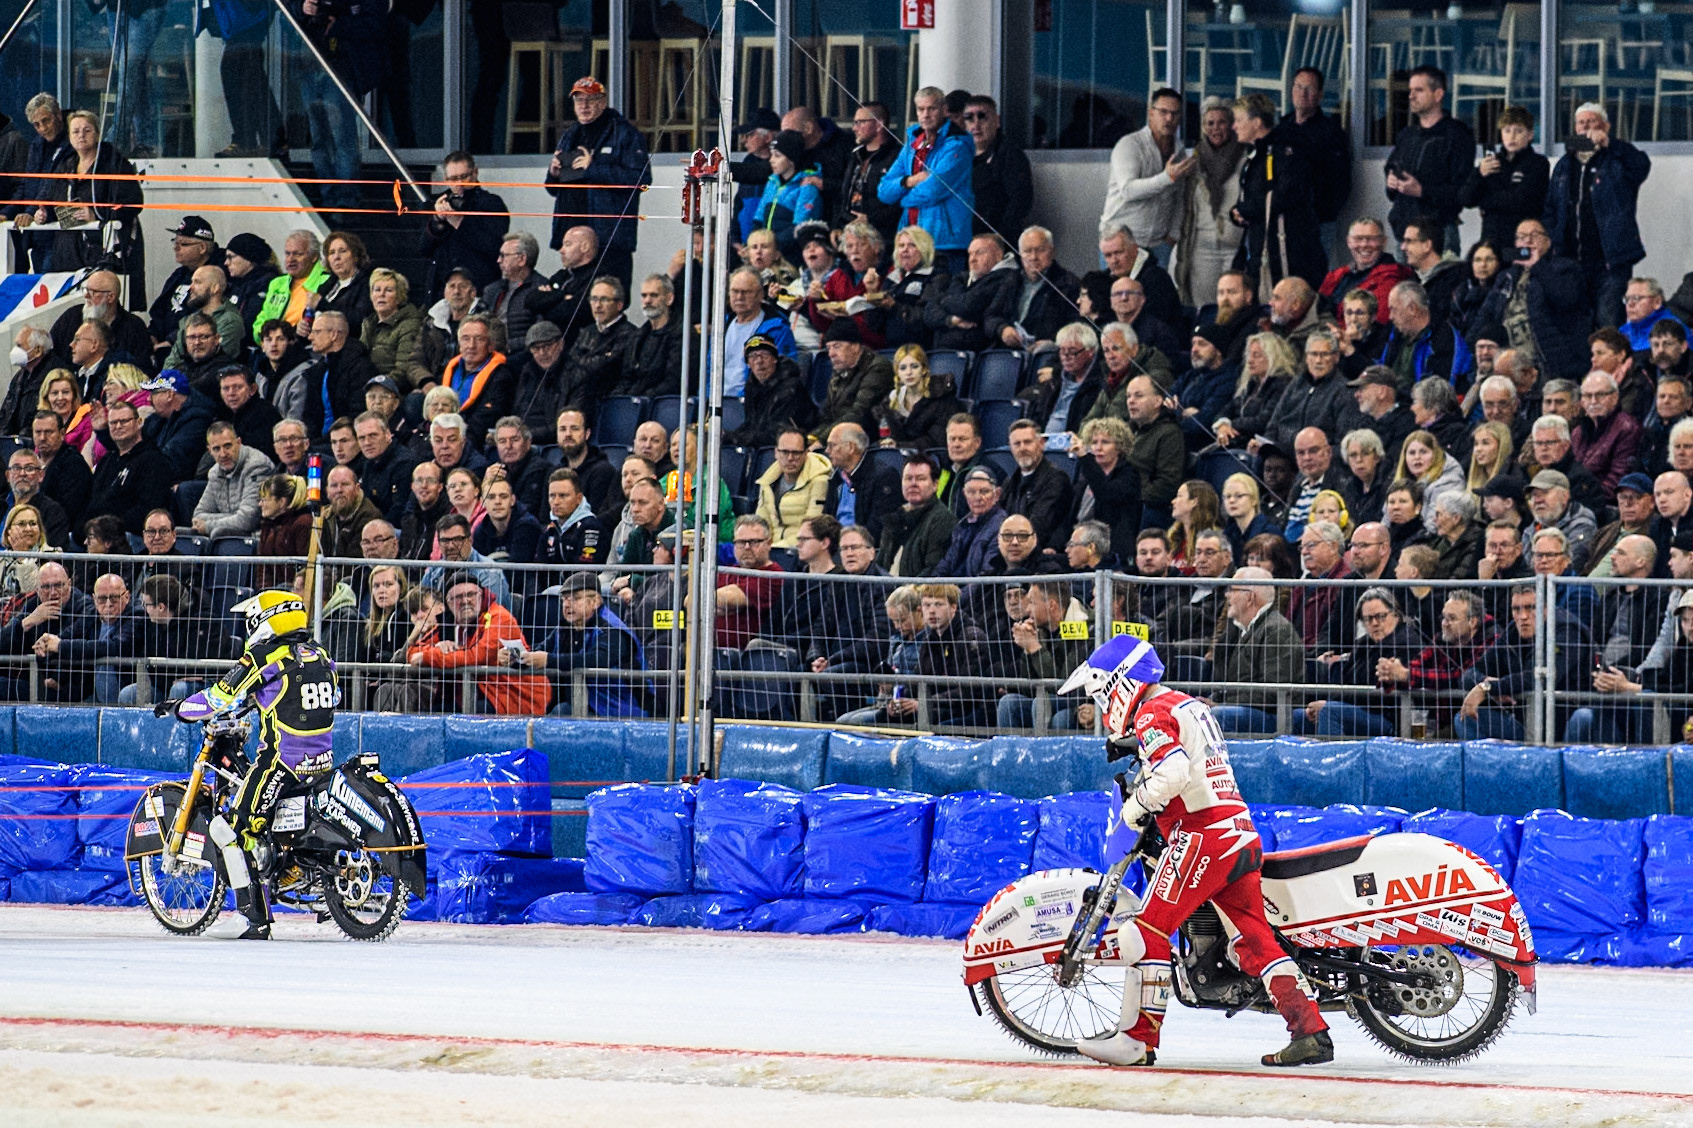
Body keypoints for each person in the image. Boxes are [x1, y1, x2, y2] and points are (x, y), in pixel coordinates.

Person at [1061, 635, 1331, 1067]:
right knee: (1253, 937)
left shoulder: (1152, 714)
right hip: (1237, 829)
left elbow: (1171, 772)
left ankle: (1136, 1041)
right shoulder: (1187, 705)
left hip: (1200, 833)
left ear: (1120, 683)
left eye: (1102, 692)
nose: (1103, 704)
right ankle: (1310, 1031)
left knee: (1145, 931)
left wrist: (1135, 806)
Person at [160, 588, 339, 939]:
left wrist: (180, 708)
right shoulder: (317, 653)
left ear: (261, 619)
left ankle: (251, 918)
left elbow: (217, 698)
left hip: (281, 764)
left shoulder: (263, 656)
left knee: (229, 829)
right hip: (321, 763)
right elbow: (333, 696)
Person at [1545, 103, 1650, 329]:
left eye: (1592, 122)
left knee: (1607, 321)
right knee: (1575, 324)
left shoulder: (1617, 159)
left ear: (1606, 126)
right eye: (1581, 123)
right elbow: (1551, 207)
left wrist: (1611, 144)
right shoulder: (1564, 165)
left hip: (1610, 262)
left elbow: (1642, 165)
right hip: (1570, 261)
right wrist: (1554, 243)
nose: (1586, 128)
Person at [545, 76, 651, 288]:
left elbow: (641, 180)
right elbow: (554, 190)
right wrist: (554, 174)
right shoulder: (570, 133)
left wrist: (593, 168)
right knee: (572, 300)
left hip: (608, 240)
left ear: (603, 102)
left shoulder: (624, 133)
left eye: (590, 100)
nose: (583, 106)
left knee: (608, 298)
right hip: (573, 238)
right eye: (578, 100)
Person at [407, 574, 549, 715]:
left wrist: (429, 656)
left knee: (472, 711)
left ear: (481, 595)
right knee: (435, 710)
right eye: (458, 597)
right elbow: (413, 653)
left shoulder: (500, 618)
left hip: (514, 697)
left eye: (471, 594)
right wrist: (437, 647)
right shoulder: (450, 622)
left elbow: (477, 656)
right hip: (479, 694)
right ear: (448, 603)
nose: (465, 601)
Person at [511, 571, 647, 718]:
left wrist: (548, 660)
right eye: (564, 599)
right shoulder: (565, 629)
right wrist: (514, 656)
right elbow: (539, 651)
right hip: (583, 704)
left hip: (620, 709)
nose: (567, 604)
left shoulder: (612, 629)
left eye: (575, 598)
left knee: (559, 713)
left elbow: (597, 659)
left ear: (595, 602)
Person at [1229, 94, 1324, 291]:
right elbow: (1250, 197)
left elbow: (1285, 195)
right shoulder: (1254, 156)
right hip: (1258, 247)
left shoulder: (1286, 151)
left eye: (1238, 120)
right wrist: (1237, 213)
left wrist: (1246, 210)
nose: (1233, 127)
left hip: (1285, 253)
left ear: (1256, 123)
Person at [877, 86, 975, 273]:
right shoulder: (912, 144)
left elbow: (933, 190)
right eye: (921, 109)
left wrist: (902, 198)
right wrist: (910, 182)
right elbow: (883, 191)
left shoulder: (957, 145)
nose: (926, 115)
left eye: (932, 109)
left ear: (944, 109)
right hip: (912, 240)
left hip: (945, 242)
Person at [1383, 65, 1475, 245]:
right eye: (1410, 90)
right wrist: (1391, 181)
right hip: (1403, 232)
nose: (1411, 96)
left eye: (1418, 90)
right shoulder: (1407, 134)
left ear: (1438, 94)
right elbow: (1391, 167)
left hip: (1438, 234)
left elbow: (1462, 191)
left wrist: (1422, 191)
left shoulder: (1457, 136)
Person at [1098, 87, 1189, 266]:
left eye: (1175, 113)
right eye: (1163, 112)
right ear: (1150, 114)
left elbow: (1180, 198)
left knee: (1155, 294)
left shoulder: (1179, 151)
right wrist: (1166, 178)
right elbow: (1128, 190)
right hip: (1120, 243)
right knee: (1117, 293)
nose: (1169, 119)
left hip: (1158, 245)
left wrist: (1172, 236)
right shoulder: (1130, 145)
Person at [1174, 97, 1246, 309]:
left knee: (1236, 311)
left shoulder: (1244, 159)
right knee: (1205, 311)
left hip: (1236, 250)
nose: (1216, 128)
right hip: (1203, 252)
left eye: (1221, 122)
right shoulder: (1193, 162)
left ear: (1231, 124)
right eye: (1210, 123)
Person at [420, 151, 508, 302]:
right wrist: (437, 221)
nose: (459, 183)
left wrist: (459, 223)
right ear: (445, 179)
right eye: (453, 179)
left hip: (477, 289)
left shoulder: (492, 203)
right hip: (442, 291)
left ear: (475, 173)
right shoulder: (441, 202)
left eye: (464, 176)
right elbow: (424, 249)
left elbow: (494, 247)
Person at [986, 226, 1080, 351]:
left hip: (1048, 353)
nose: (1033, 257)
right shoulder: (1010, 280)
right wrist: (1002, 329)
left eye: (1040, 250)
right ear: (1020, 255)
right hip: (1008, 351)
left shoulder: (1069, 283)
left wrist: (1053, 342)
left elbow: (1076, 326)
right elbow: (990, 316)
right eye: (1027, 251)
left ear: (1052, 251)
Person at [724, 335, 814, 451]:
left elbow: (775, 432)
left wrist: (735, 438)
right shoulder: (752, 386)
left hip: (788, 448)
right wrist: (727, 436)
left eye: (764, 355)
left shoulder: (790, 387)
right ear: (748, 364)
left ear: (774, 359)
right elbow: (751, 424)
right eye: (753, 356)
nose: (759, 361)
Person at [835, 101, 902, 244]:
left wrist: (871, 219)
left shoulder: (897, 156)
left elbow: (900, 201)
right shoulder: (855, 155)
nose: (854, 128)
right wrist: (837, 225)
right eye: (854, 123)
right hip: (851, 236)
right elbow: (843, 196)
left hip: (882, 238)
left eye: (860, 122)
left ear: (878, 124)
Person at [822, 423, 902, 543]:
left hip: (860, 547)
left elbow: (877, 529)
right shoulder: (836, 477)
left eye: (832, 446)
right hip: (834, 546)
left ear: (851, 447)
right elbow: (827, 518)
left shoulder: (883, 476)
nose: (827, 451)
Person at [964, 95, 1030, 240]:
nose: (976, 125)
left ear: (997, 121)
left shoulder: (1010, 155)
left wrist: (999, 236)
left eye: (982, 117)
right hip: (963, 241)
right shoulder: (959, 156)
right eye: (970, 118)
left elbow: (1020, 202)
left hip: (997, 242)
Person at [192, 422, 273, 538]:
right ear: (209, 451)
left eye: (227, 446)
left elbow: (248, 520)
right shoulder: (215, 472)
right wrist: (233, 516)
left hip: (255, 537)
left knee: (218, 534)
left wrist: (209, 525)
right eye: (216, 449)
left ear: (238, 443)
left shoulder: (257, 465)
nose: (223, 454)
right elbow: (198, 516)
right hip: (232, 535)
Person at [614, 275, 684, 399]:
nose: (647, 301)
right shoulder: (637, 336)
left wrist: (640, 399)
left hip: (663, 404)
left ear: (669, 299)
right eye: (644, 295)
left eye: (654, 295)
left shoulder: (682, 334)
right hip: (635, 402)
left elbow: (674, 381)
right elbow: (626, 377)